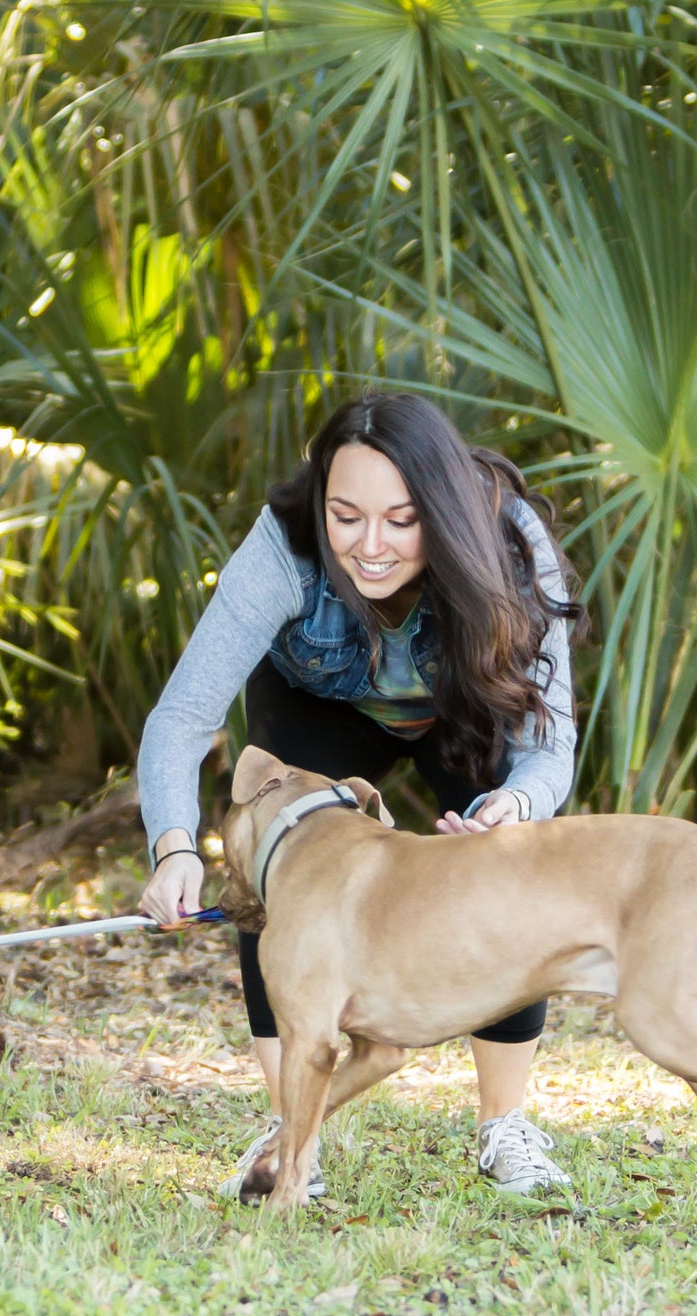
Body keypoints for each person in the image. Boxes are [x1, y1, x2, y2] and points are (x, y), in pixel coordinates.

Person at [136, 391, 584, 1198]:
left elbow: (548, 748)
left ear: (441, 509)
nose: (369, 546)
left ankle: (503, 1125)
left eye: (400, 521)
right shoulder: (282, 546)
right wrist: (173, 844)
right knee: (279, 872)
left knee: (503, 875)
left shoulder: (509, 543)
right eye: (346, 516)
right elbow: (181, 716)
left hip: (459, 710)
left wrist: (514, 809)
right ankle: (287, 1134)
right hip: (321, 706)